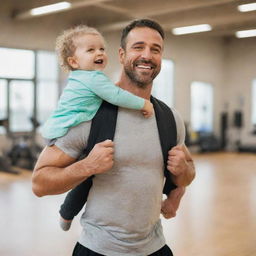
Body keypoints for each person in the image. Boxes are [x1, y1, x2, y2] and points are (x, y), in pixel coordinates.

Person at [32, 19, 195, 256]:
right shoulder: (88, 116)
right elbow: (39, 183)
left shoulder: (170, 118)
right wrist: (87, 166)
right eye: (138, 47)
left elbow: (188, 172)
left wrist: (182, 175)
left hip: (155, 247)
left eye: (155, 49)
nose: (147, 55)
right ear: (121, 54)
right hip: (98, 249)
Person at [41, 25, 153, 140]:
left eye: (102, 49)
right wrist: (143, 104)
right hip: (66, 131)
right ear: (74, 62)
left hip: (55, 127)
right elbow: (116, 95)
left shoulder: (78, 77)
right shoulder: (93, 78)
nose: (99, 53)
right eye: (91, 50)